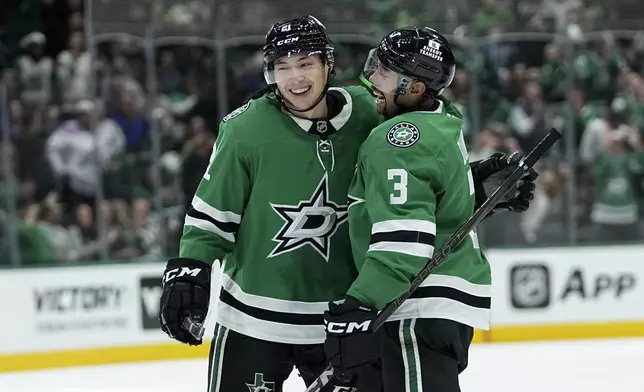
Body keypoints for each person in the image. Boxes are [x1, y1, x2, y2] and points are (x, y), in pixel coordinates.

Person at [157, 15, 383, 392]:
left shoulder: (368, 113)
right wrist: (191, 266)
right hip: (253, 320)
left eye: (306, 63)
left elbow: (416, 159)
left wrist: (468, 177)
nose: (295, 78)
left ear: (329, 64)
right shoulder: (245, 131)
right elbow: (212, 215)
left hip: (341, 321)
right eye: (283, 67)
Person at [322, 27, 538, 392]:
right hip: (436, 305)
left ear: (415, 89)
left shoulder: (398, 138)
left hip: (416, 304)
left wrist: (362, 302)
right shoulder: (441, 119)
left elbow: (405, 240)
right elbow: (429, 204)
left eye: (385, 74)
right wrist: (470, 187)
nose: (372, 79)